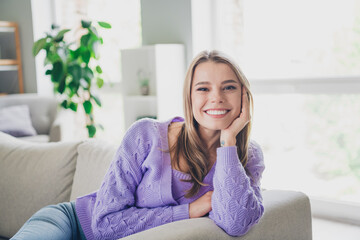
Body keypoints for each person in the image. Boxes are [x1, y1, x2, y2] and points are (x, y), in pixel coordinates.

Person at [11, 50, 265, 240]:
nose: (216, 98)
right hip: (72, 223)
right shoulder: (146, 136)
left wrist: (228, 143)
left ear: (243, 95)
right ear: (189, 97)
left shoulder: (246, 156)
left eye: (229, 87)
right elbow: (104, 224)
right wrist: (188, 211)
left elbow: (236, 222)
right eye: (203, 88)